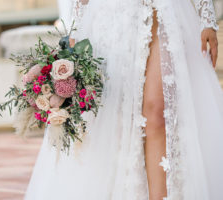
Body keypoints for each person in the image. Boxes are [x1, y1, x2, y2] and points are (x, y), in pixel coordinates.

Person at [25, 0, 223, 199]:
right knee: (118, 119)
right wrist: (77, 26)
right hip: (110, 15)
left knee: (157, 113)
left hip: (163, 10)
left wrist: (207, 17)